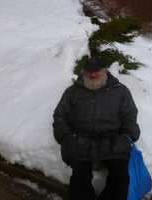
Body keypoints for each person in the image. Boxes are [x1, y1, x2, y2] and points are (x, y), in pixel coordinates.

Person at [52, 57, 140, 200]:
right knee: (80, 177)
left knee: (120, 176)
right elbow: (59, 116)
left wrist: (127, 135)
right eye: (89, 72)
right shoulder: (72, 92)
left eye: (97, 71)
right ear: (83, 72)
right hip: (80, 140)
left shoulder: (120, 91)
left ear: (105, 70)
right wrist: (66, 137)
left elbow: (130, 114)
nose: (93, 75)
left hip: (112, 140)